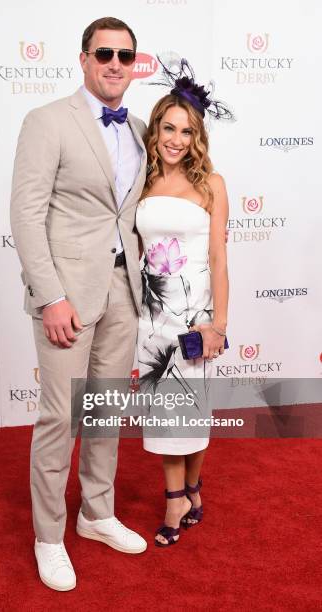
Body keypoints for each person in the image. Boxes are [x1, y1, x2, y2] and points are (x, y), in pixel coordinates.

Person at [10, 17, 147, 591]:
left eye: (126, 56)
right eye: (105, 54)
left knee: (105, 411)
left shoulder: (142, 128)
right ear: (85, 58)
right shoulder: (47, 122)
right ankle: (49, 536)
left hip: (124, 289)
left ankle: (96, 513)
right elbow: (26, 214)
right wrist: (51, 297)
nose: (116, 64)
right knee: (59, 418)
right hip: (67, 295)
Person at [136, 59, 232, 546]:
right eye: (169, 128)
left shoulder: (211, 184)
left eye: (186, 131)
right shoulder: (141, 182)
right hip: (152, 318)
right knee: (166, 411)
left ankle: (191, 488)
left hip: (195, 318)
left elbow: (218, 259)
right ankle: (175, 496)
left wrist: (218, 324)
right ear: (155, 131)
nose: (176, 139)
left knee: (192, 411)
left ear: (197, 137)